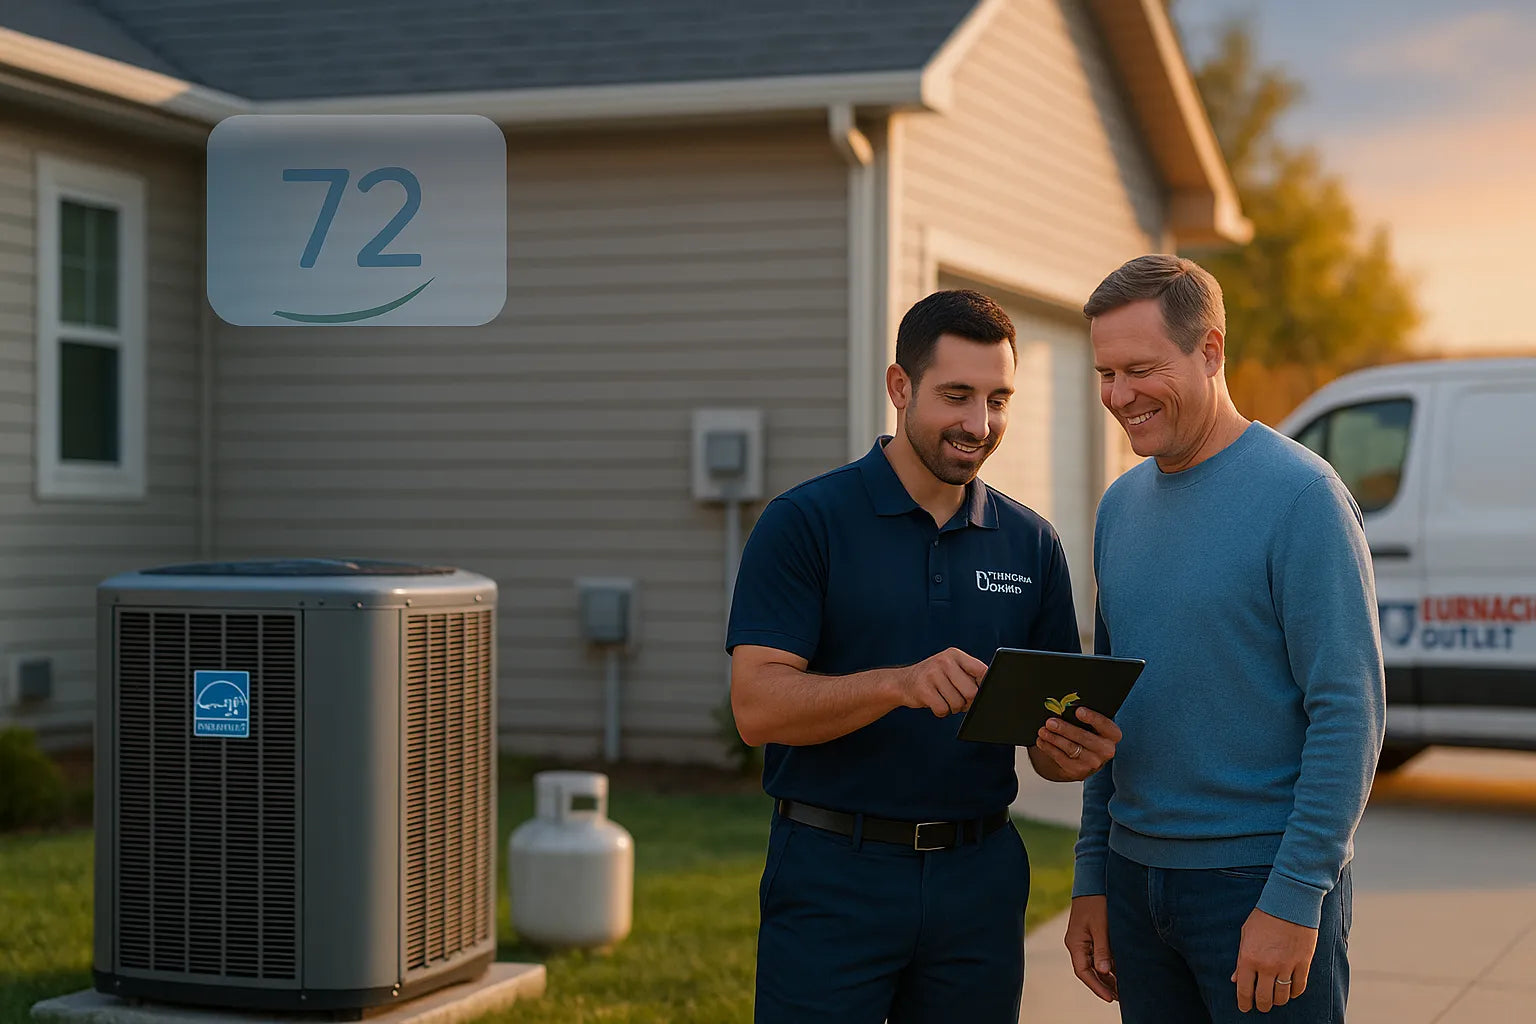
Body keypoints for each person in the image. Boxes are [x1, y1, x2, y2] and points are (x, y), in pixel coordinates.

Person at [726, 289, 1121, 1024]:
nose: (980, 424)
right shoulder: (805, 523)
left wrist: (1074, 751)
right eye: (957, 395)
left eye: (999, 398)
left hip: (979, 880)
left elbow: (1047, 746)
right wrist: (897, 684)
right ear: (899, 388)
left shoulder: (1031, 545)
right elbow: (756, 706)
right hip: (832, 875)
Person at [1065, 255, 1384, 1022]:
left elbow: (1349, 714)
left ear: (1209, 351)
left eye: (1141, 369)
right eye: (1106, 373)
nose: (1119, 396)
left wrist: (1296, 896)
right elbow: (1112, 709)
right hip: (1136, 887)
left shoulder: (1303, 498)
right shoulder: (1119, 507)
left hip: (1257, 885)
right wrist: (1091, 878)